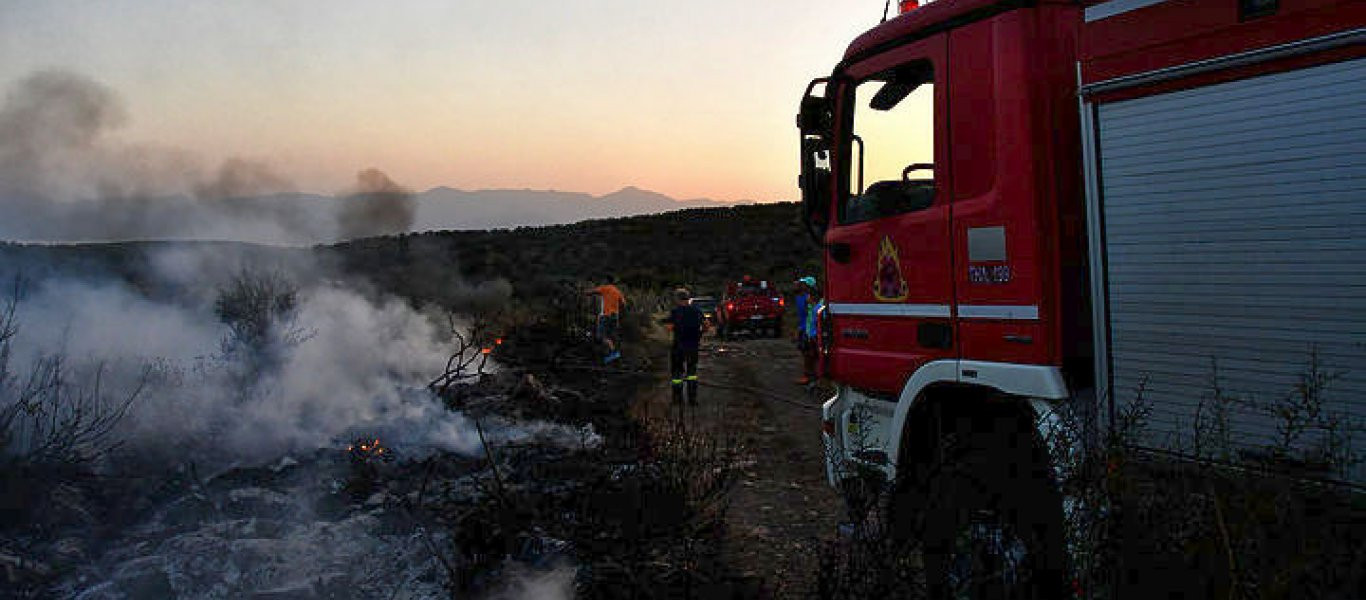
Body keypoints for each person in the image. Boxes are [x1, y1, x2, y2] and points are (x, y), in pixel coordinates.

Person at [660, 288, 704, 404]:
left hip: (678, 347)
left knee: (677, 375)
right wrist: (698, 335)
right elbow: (706, 325)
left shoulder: (675, 312)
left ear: (678, 299)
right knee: (692, 374)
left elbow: (669, 327)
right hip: (693, 346)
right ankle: (692, 399)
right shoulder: (696, 311)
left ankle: (677, 399)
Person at [587, 276, 626, 363]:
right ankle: (613, 355)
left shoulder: (605, 288)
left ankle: (613, 353)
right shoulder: (617, 291)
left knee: (601, 336)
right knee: (611, 336)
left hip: (605, 315)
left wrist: (584, 292)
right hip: (615, 316)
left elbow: (591, 292)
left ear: (606, 281)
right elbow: (623, 303)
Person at [794, 276, 822, 385]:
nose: (801, 285)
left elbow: (810, 316)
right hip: (805, 329)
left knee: (810, 354)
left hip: (809, 330)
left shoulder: (810, 299)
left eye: (803, 284)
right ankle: (811, 375)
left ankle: (811, 376)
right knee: (806, 352)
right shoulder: (801, 296)